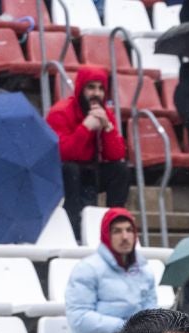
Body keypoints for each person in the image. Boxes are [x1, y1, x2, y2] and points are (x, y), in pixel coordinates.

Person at [67, 208, 159, 333]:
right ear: (106, 235)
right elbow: (79, 318)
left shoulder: (144, 270)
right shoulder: (87, 269)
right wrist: (124, 326)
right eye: (117, 231)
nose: (125, 236)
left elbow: (151, 311)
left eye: (129, 230)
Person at [47, 67, 133, 237]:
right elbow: (63, 153)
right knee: (71, 169)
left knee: (121, 170)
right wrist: (86, 127)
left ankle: (114, 222)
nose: (97, 93)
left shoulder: (105, 113)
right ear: (81, 89)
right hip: (63, 172)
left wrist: (107, 128)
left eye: (101, 88)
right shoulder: (60, 112)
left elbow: (116, 155)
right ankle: (74, 229)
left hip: (90, 170)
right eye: (91, 87)